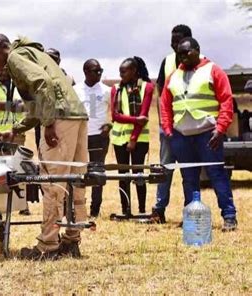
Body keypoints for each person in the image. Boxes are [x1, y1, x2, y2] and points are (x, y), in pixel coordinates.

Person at [0, 34, 88, 260]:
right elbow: (39, 100)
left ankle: (48, 246)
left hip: (60, 117)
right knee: (75, 180)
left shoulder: (15, 57)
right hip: (76, 114)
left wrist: (49, 123)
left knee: (52, 183)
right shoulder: (33, 53)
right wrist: (17, 129)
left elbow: (43, 84)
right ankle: (72, 240)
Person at [160, 37, 237, 231]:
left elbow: (227, 101)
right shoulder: (173, 76)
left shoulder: (213, 70)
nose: (183, 56)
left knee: (217, 174)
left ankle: (229, 216)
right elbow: (165, 106)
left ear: (197, 50)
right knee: (189, 177)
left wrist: (220, 129)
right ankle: (192, 216)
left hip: (208, 134)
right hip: (181, 136)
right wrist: (168, 131)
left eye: (186, 52)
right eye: (179, 53)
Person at [151, 24, 194, 224]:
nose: (173, 44)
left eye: (177, 40)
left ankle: (190, 210)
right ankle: (158, 211)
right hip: (168, 127)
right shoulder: (167, 62)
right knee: (165, 169)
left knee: (189, 170)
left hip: (190, 127)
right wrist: (164, 120)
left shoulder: (198, 63)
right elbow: (160, 90)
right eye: (172, 40)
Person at [0, 65, 31, 216]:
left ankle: (23, 205)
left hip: (16, 133)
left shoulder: (19, 85)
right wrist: (13, 106)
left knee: (19, 169)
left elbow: (26, 107)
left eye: (4, 69)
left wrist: (2, 105)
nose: (1, 71)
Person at [111, 57, 154, 216]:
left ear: (134, 71)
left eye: (124, 71)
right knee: (123, 176)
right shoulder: (116, 88)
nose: (121, 74)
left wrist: (133, 139)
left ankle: (142, 210)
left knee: (139, 174)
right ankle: (126, 209)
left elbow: (144, 115)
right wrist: (135, 120)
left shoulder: (147, 87)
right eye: (120, 71)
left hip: (140, 139)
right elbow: (115, 116)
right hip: (119, 139)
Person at [74, 59, 111, 218]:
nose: (99, 73)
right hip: (80, 137)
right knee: (77, 172)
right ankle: (77, 207)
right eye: (96, 71)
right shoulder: (75, 90)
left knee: (97, 172)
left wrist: (109, 125)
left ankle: (95, 209)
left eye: (100, 70)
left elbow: (117, 110)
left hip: (99, 137)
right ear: (86, 72)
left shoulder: (107, 90)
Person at [34, 47, 76, 149]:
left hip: (63, 122)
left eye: (53, 58)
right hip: (43, 122)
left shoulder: (68, 79)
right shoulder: (38, 77)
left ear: (59, 61)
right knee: (43, 153)